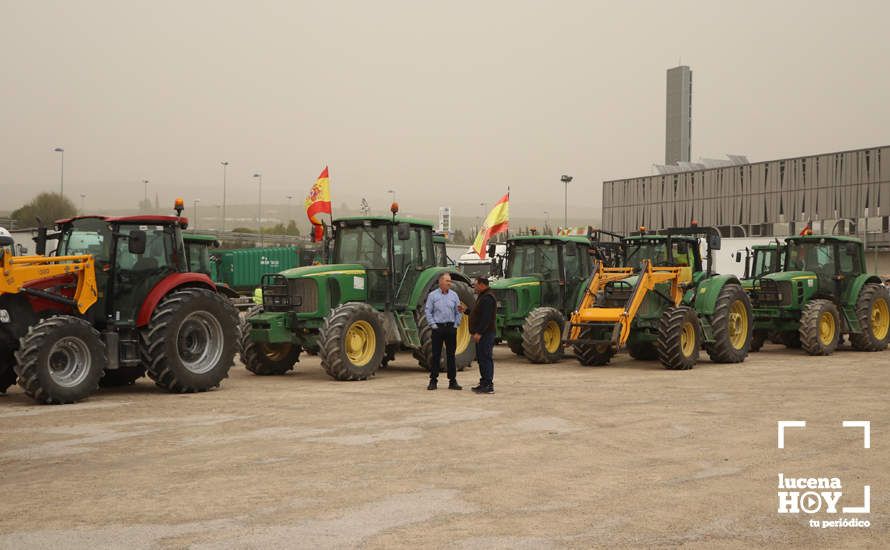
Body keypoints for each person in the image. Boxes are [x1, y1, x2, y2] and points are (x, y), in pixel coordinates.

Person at [423, 273, 463, 390]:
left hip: (450, 328)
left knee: (451, 355)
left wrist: (456, 325)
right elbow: (428, 311)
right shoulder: (433, 296)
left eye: (450, 281)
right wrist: (433, 325)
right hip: (438, 329)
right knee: (436, 355)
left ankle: (453, 381)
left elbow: (459, 311)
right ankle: (433, 381)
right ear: (440, 282)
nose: (449, 283)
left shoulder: (454, 295)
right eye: (447, 281)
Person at [469, 276, 497, 394]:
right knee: (481, 359)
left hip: (486, 334)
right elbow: (478, 313)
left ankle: (489, 385)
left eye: (475, 284)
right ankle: (483, 382)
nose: (474, 287)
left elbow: (486, 318)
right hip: (482, 334)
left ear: (481, 285)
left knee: (486, 358)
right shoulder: (482, 297)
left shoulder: (488, 298)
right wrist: (466, 311)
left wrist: (479, 333)